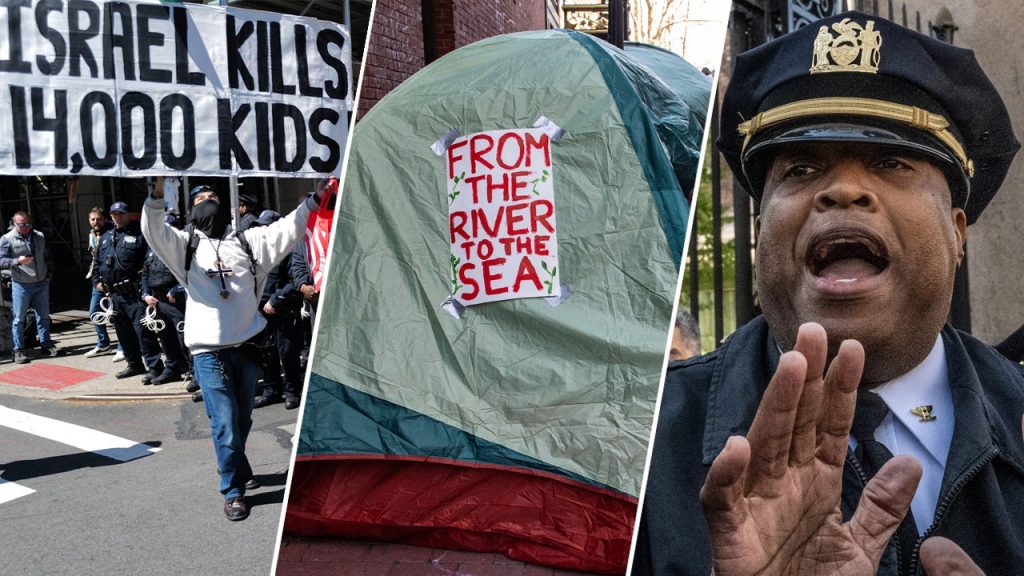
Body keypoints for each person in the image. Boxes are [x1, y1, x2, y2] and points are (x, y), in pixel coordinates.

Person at [634, 11, 1024, 576]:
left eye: (892, 162)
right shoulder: (645, 438)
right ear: (763, 229)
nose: (842, 189)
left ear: (957, 231)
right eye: (800, 169)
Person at [141, 179, 320, 521]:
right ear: (191, 210)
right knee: (224, 423)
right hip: (209, 354)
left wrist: (316, 198)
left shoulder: (248, 241)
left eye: (214, 198)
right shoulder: (184, 245)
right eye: (201, 199)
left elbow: (290, 227)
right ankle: (232, 491)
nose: (208, 202)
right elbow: (153, 229)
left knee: (241, 419)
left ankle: (236, 464)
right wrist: (158, 197)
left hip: (249, 347)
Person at [93, 202, 163, 381]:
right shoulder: (107, 236)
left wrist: (146, 290)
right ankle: (134, 364)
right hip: (114, 295)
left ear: (128, 215)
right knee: (123, 334)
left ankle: (155, 367)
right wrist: (97, 281)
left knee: (143, 333)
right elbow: (97, 262)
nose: (118, 217)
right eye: (114, 214)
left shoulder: (139, 234)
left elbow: (148, 264)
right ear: (111, 216)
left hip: (133, 293)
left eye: (121, 214)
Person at [0, 211, 58, 363]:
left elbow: (48, 257)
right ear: (14, 223)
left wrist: (48, 276)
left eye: (27, 224)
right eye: (21, 225)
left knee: (44, 316)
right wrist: (16, 261)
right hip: (21, 285)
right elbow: (1, 261)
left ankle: (46, 345)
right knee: (19, 318)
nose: (25, 227)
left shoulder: (39, 236)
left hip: (41, 283)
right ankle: (18, 350)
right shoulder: (7, 239)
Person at [139, 214, 190, 385]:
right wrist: (145, 294)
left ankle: (194, 371)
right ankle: (173, 368)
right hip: (157, 300)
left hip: (176, 301)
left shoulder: (181, 247)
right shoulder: (153, 247)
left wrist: (177, 289)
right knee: (166, 338)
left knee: (185, 337)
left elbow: (192, 274)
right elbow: (145, 272)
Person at [84, 207, 116, 358]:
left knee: (117, 315)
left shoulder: (113, 233)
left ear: (105, 219)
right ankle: (104, 344)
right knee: (94, 312)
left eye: (99, 219)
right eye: (92, 219)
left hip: (114, 279)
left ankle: (124, 346)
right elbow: (95, 260)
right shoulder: (92, 235)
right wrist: (96, 280)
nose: (96, 222)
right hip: (98, 280)